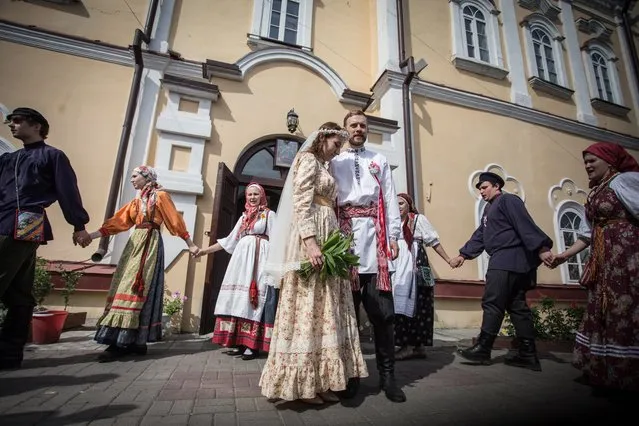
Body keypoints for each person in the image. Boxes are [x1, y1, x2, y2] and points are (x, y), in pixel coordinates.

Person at [259, 122, 368, 405]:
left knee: (325, 308)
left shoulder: (325, 165)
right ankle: (301, 384)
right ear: (323, 139)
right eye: (335, 144)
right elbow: (301, 201)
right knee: (308, 305)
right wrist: (310, 242)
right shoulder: (308, 160)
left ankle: (320, 381)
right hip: (313, 236)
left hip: (328, 231)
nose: (337, 151)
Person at [0, 107, 90, 370]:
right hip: (4, 219)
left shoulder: (53, 156)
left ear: (37, 125)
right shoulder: (8, 159)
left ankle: (8, 351)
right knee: (19, 291)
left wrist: (78, 224)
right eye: (11, 122)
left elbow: (67, 190)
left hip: (28, 219)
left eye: (17, 121)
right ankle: (9, 355)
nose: (12, 126)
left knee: (12, 286)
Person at [551, 142, 639, 395]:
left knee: (626, 308)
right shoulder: (598, 190)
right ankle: (607, 371)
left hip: (628, 258)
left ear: (610, 162)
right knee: (605, 310)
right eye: (586, 161)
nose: (587, 165)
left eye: (592, 161)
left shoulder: (625, 181)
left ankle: (629, 374)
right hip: (605, 261)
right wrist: (562, 256)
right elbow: (587, 233)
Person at [87, 166, 199, 361]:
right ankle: (126, 341)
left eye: (135, 176)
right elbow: (120, 221)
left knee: (137, 288)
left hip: (149, 244)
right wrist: (93, 235)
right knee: (125, 284)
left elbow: (175, 220)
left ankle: (130, 342)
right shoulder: (138, 200)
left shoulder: (160, 196)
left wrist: (190, 244)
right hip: (135, 244)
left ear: (146, 177)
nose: (132, 179)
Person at [331, 110, 405, 403]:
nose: (359, 129)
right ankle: (350, 378)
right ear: (345, 129)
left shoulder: (380, 159)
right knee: (346, 316)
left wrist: (394, 237)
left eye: (363, 125)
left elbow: (389, 197)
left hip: (375, 241)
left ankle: (389, 378)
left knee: (383, 316)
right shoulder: (335, 161)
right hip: (344, 242)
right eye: (353, 125)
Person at [450, 171, 554, 371]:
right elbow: (480, 235)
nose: (481, 191)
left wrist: (541, 247)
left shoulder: (508, 201)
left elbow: (524, 223)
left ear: (497, 186)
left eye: (485, 187)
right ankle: (528, 355)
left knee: (493, 302)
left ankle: (483, 348)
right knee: (517, 306)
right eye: (479, 188)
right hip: (513, 262)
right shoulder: (489, 210)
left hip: (506, 258)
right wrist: (464, 255)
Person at [197, 183, 276, 360]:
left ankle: (252, 345)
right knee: (238, 300)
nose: (253, 197)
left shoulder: (269, 215)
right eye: (249, 195)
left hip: (259, 261)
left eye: (256, 194)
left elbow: (278, 240)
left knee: (254, 300)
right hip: (241, 264)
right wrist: (204, 251)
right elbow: (228, 241)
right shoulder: (243, 218)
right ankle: (240, 342)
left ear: (262, 196)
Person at [392, 193, 452, 361]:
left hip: (415, 263)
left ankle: (413, 346)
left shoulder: (418, 220)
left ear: (409, 205)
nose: (398, 206)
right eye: (395, 203)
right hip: (399, 264)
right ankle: (411, 346)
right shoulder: (394, 223)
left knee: (419, 303)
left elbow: (434, 242)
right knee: (400, 303)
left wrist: (448, 260)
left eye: (401, 203)